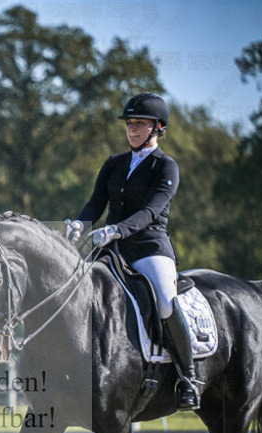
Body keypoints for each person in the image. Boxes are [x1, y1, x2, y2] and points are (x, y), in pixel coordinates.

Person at [65, 93, 200, 410]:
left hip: (149, 248)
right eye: (129, 123)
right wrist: (79, 224)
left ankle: (188, 378)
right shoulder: (114, 163)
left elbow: (150, 212)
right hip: (110, 248)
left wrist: (117, 229)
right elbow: (95, 204)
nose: (132, 129)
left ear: (157, 128)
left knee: (166, 301)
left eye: (139, 124)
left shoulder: (166, 166)